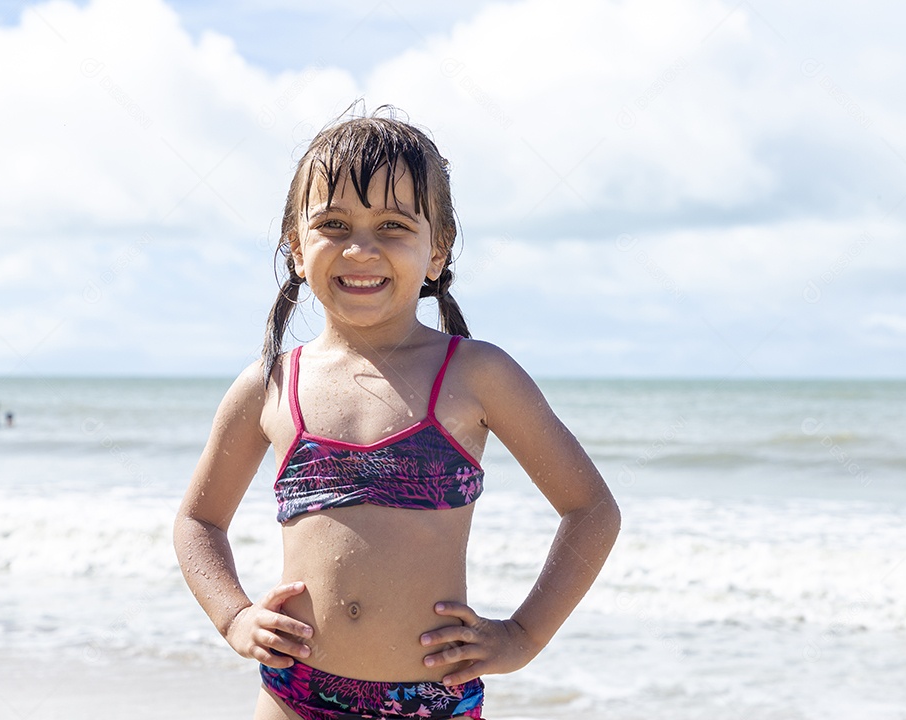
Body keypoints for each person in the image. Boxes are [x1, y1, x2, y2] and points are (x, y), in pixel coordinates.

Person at [174, 107, 621, 720]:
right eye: (333, 224)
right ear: (297, 249)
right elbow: (199, 520)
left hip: (433, 698)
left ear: (437, 251)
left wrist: (523, 635)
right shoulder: (271, 384)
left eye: (392, 226)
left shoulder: (476, 375)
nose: (361, 249)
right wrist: (234, 616)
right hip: (294, 694)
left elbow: (591, 509)